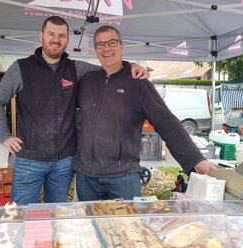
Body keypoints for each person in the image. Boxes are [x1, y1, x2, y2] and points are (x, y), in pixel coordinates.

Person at [0, 16, 148, 205]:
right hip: (29, 160)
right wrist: (5, 136)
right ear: (41, 36)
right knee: (22, 213)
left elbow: (109, 67)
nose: (56, 40)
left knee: (57, 213)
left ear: (67, 40)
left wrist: (131, 66)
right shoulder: (21, 68)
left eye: (61, 36)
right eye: (51, 34)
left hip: (64, 162)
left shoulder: (76, 68)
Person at [73, 25, 217, 201]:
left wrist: (195, 159)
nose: (107, 48)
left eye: (112, 42)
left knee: (127, 227)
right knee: (88, 226)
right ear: (95, 49)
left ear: (121, 45)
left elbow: (167, 122)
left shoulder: (138, 83)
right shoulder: (86, 81)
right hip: (86, 176)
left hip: (123, 177)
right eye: (101, 44)